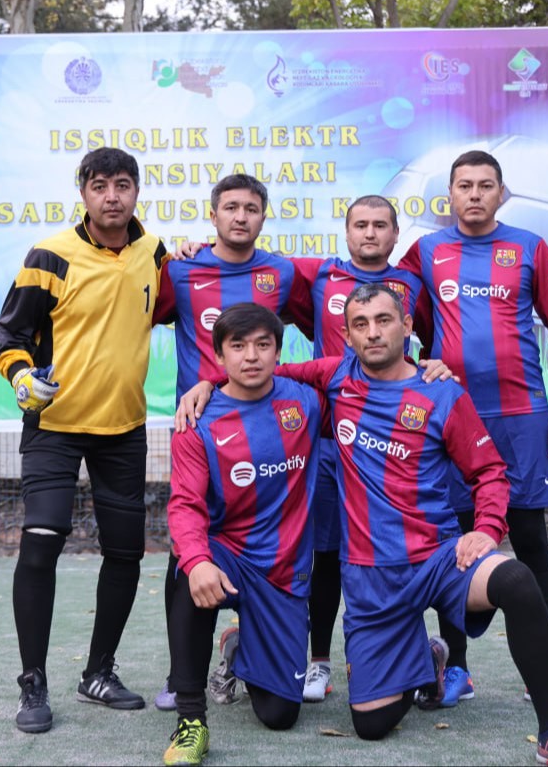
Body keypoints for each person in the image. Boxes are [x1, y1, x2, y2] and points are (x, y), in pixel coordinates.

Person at [178, 285, 548, 766]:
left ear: (407, 326)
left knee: (516, 581)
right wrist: (207, 384)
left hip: (437, 557)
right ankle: (425, 659)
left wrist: (486, 528)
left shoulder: (441, 391)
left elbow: (490, 472)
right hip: (371, 580)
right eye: (360, 324)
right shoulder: (335, 377)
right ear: (347, 336)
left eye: (383, 320)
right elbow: (259, 372)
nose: (372, 332)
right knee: (370, 725)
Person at [398, 148, 548, 713]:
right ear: (449, 195)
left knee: (529, 539)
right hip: (452, 419)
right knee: (455, 540)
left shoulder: (528, 247)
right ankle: (456, 669)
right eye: (464, 185)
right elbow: (391, 306)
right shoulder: (426, 252)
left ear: (501, 194)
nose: (475, 194)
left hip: (523, 418)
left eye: (485, 185)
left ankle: (541, 677)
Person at [0, 147, 168, 734]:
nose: (112, 196)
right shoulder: (49, 256)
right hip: (55, 428)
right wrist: (22, 377)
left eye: (122, 185)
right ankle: (32, 683)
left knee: (126, 553)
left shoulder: (156, 254)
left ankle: (98, 673)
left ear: (136, 190)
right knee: (41, 544)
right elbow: (9, 336)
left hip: (124, 428)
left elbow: (185, 306)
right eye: (99, 186)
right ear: (83, 192)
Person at [151, 173, 313, 710]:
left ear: (263, 216)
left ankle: (257, 647)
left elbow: (329, 329)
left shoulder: (282, 272)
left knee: (281, 713)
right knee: (188, 546)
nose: (241, 216)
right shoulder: (180, 269)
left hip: (267, 426)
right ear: (213, 214)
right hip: (200, 427)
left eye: (251, 208)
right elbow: (140, 318)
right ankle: (183, 678)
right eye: (231, 207)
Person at [162, 303, 323, 766]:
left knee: (279, 715)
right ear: (219, 355)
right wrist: (197, 561)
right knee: (186, 565)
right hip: (229, 554)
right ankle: (191, 719)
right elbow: (185, 505)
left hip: (284, 571)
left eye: (262, 345)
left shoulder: (307, 402)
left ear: (279, 351)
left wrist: (426, 367)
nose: (251, 356)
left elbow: (357, 369)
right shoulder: (196, 421)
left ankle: (238, 648)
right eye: (238, 346)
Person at [290, 195, 423, 703]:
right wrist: (192, 248)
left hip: (393, 443)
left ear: (395, 234)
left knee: (394, 553)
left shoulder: (413, 282)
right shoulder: (319, 274)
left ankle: (413, 656)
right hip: (330, 443)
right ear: (346, 233)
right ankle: (319, 662)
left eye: (380, 225)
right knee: (325, 557)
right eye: (360, 224)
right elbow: (247, 259)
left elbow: (433, 341)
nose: (370, 233)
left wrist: (435, 365)